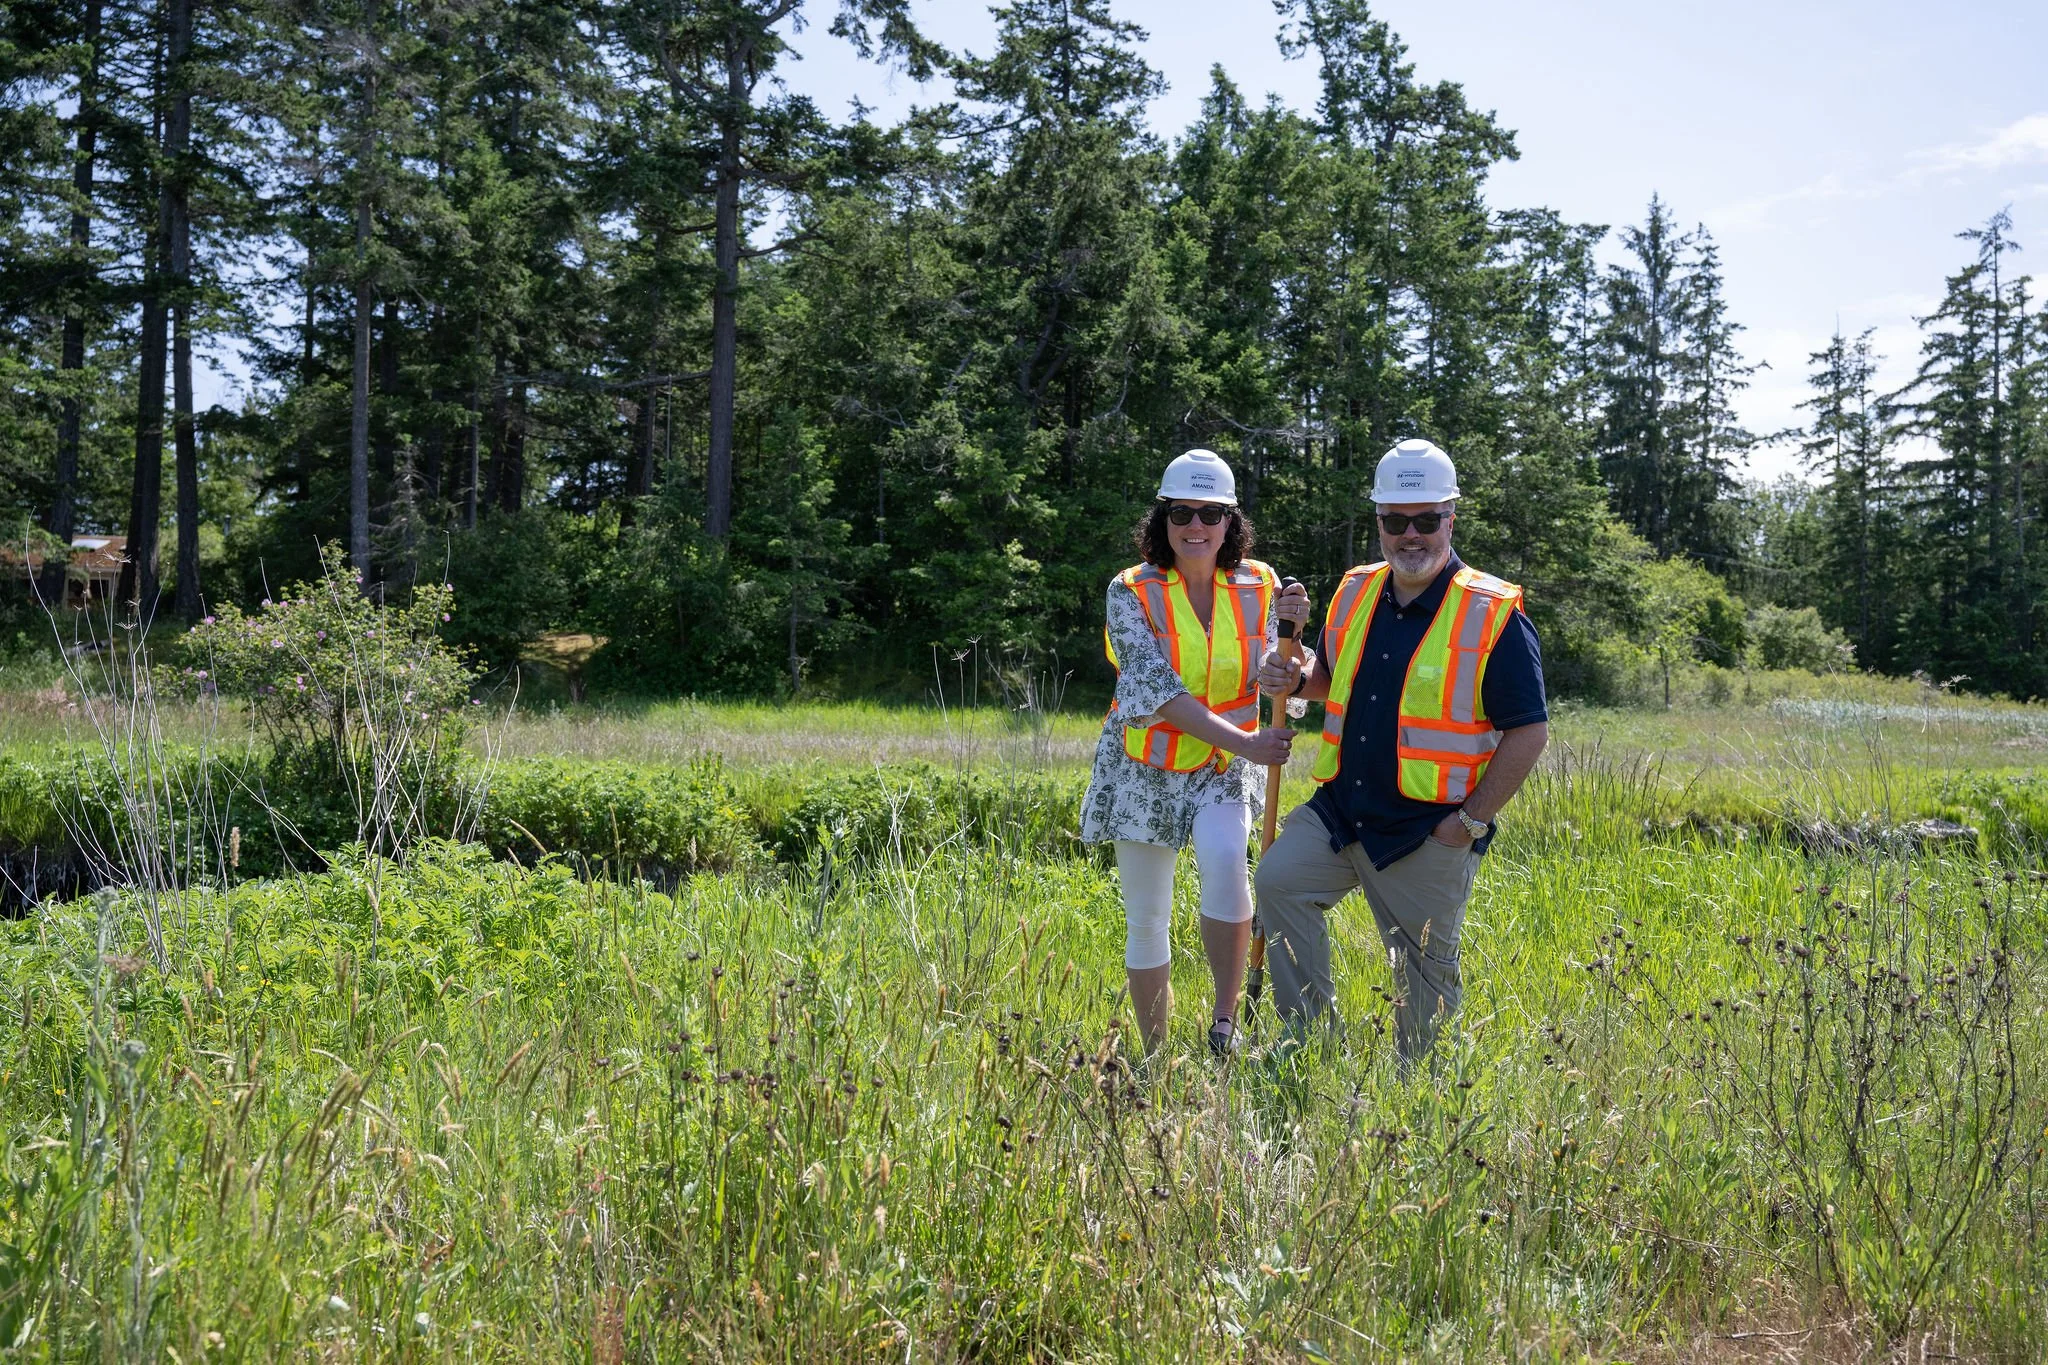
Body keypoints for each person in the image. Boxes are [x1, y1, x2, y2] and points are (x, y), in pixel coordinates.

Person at [1253, 438, 1548, 1067]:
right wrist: (1296, 681)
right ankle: (1310, 1048)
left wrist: (1466, 824)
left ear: (1450, 519)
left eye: (1426, 520)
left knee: (1425, 982)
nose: (1410, 536)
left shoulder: (1493, 612)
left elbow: (1529, 732)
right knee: (1279, 882)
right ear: (1379, 523)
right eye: (1395, 521)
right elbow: (1334, 676)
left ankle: (1423, 1099)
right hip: (1342, 809)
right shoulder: (1356, 589)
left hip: (1428, 828)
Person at [1080, 449, 1311, 1056]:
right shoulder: (1130, 590)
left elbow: (1275, 673)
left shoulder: (1260, 583)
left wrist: (1293, 654)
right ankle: (1154, 1053)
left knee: (1227, 870)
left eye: (1211, 513)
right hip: (1146, 769)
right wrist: (1248, 743)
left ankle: (1223, 1025)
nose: (1196, 526)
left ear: (1230, 522)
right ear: (1163, 519)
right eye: (1182, 512)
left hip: (1223, 770)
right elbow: (1156, 689)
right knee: (1148, 915)